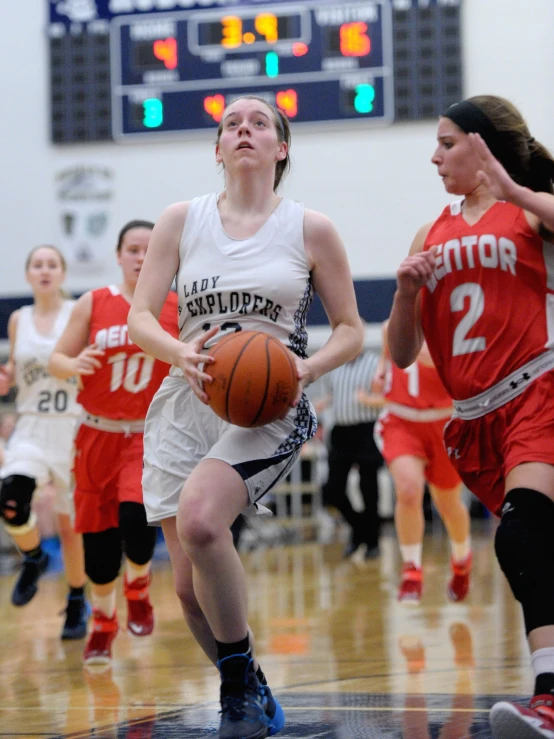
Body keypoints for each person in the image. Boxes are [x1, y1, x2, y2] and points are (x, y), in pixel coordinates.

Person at [127, 95, 364, 739]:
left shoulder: (310, 229)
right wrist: (178, 350)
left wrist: (304, 371)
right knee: (184, 591)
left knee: (204, 522)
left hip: (268, 405)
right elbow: (140, 317)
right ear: (218, 149)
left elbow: (351, 330)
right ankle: (252, 681)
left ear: (281, 148)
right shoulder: (182, 219)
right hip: (189, 399)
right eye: (231, 124)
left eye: (260, 122)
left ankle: (235, 692)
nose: (244, 130)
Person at [387, 95, 554, 738]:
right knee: (533, 545)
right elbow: (403, 352)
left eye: (447, 142)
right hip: (475, 417)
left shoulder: (527, 209)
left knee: (520, 536)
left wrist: (515, 187)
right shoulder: (429, 234)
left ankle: (548, 693)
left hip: (538, 394)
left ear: (482, 147)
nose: (434, 155)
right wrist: (405, 294)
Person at [48, 220, 178, 666]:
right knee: (100, 548)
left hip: (147, 434)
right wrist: (72, 362)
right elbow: (57, 359)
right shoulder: (94, 301)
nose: (141, 257)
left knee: (136, 513)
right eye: (133, 249)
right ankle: (103, 622)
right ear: (119, 255)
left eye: (150, 250)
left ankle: (139, 584)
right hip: (96, 433)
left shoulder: (177, 306)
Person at [0, 245, 88, 639]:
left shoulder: (77, 314)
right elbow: (16, 372)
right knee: (10, 498)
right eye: (38, 264)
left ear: (63, 272)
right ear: (29, 274)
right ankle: (33, 556)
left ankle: (75, 599)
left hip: (72, 427)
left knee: (72, 528)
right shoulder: (18, 319)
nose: (45, 270)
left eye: (53, 263)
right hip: (32, 426)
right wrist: (7, 380)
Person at [373, 324, 471, 604]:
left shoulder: (452, 321)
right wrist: (381, 370)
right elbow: (389, 349)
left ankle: (462, 558)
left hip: (444, 420)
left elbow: (427, 356)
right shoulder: (395, 321)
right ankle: (412, 569)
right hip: (401, 420)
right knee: (408, 490)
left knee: (449, 505)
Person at [315, 347, 384, 560]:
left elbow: (384, 396)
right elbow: (332, 395)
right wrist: (320, 406)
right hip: (341, 433)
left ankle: (372, 543)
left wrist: (368, 398)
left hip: (366, 430)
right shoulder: (336, 364)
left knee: (368, 490)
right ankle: (360, 529)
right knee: (332, 490)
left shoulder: (375, 363)